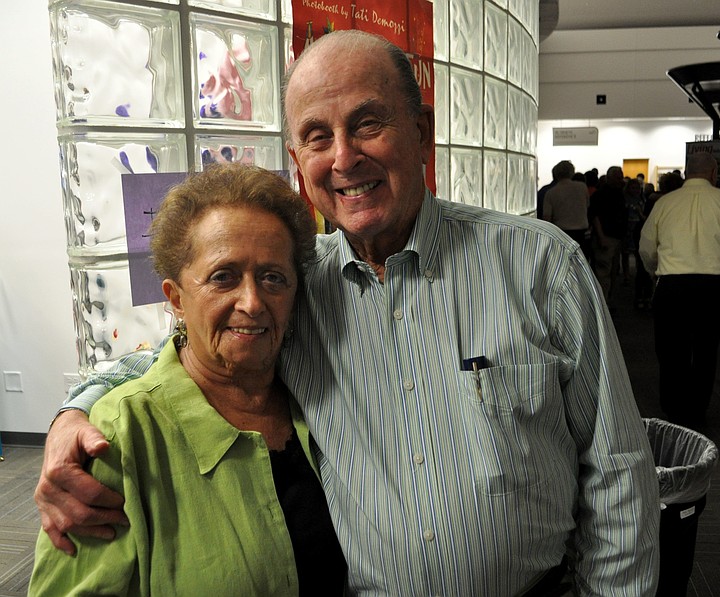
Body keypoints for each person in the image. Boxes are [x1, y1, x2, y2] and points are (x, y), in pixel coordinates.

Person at [36, 30, 659, 596]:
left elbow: (618, 468)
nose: (343, 158)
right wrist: (79, 411)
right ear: (297, 158)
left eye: (367, 124)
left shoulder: (539, 263)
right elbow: (194, 345)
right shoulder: (296, 287)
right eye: (316, 136)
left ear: (421, 131)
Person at [28, 164, 346, 595]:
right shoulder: (117, 439)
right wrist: (72, 411)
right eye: (223, 277)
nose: (252, 302)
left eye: (273, 277)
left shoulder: (316, 399)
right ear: (175, 298)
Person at [639, 153, 720, 426]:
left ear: (686, 172)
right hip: (713, 288)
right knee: (705, 350)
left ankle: (673, 409)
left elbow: (646, 247)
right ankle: (696, 411)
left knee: (670, 351)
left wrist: (656, 270)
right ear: (714, 174)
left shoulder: (664, 203)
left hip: (672, 285)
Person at [588, 165, 628, 303]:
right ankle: (602, 302)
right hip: (607, 237)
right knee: (603, 272)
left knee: (611, 271)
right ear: (610, 177)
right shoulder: (603, 194)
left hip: (615, 237)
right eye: (618, 177)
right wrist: (601, 237)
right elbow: (595, 216)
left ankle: (606, 300)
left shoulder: (617, 193)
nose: (620, 179)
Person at [542, 160, 591, 258]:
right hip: (581, 232)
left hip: (561, 233)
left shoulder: (551, 192)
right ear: (572, 172)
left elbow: (546, 218)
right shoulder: (582, 187)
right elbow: (587, 205)